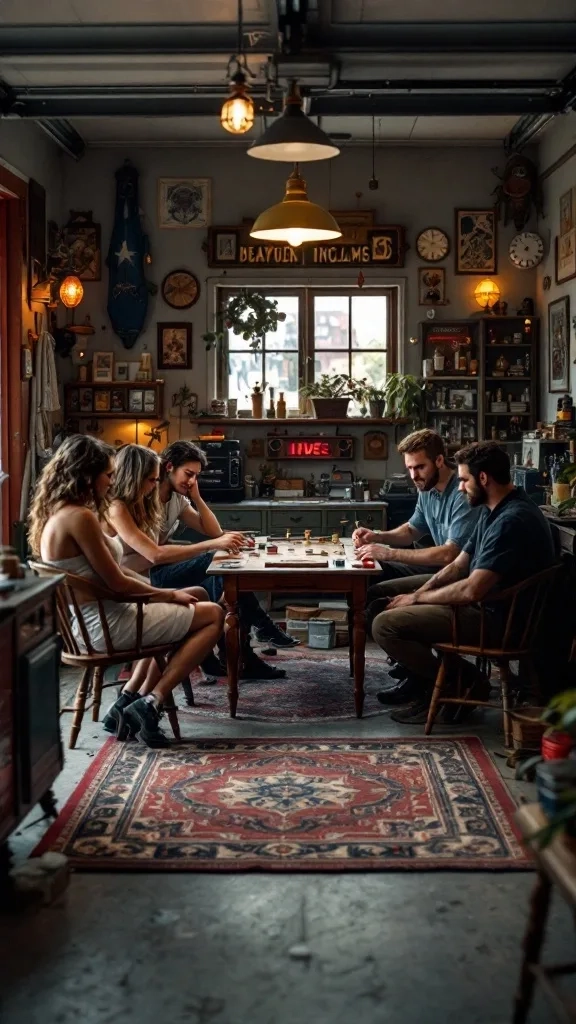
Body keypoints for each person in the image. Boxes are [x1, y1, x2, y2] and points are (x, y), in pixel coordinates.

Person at [28, 434, 224, 748]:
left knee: (197, 595)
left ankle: (127, 701)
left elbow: (112, 574)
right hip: (103, 625)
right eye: (107, 474)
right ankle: (152, 702)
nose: (112, 480)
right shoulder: (81, 518)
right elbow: (118, 583)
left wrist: (159, 592)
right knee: (213, 613)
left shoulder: (62, 514)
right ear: (87, 475)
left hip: (96, 617)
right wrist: (167, 595)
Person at [371, 441, 556, 724]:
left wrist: (416, 599)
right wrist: (418, 591)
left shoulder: (512, 520)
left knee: (386, 625)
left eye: (464, 480)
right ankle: (433, 684)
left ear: (483, 478)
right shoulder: (492, 509)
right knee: (385, 597)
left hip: (499, 620)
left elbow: (472, 588)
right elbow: (459, 565)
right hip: (487, 606)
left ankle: (463, 683)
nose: (460, 487)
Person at [107, 442, 298, 682]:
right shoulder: (138, 500)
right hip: (141, 579)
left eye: (196, 476)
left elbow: (214, 531)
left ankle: (235, 654)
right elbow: (154, 554)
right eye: (189, 474)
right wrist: (212, 546)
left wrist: (196, 495)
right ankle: (254, 636)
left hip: (155, 569)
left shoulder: (176, 499)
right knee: (216, 564)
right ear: (168, 468)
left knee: (223, 577)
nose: (191, 480)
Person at [353, 428, 480, 703]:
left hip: (459, 576)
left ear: (438, 461)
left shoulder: (462, 493)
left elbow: (450, 555)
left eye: (419, 467)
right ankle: (412, 666)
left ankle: (436, 677)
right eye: (410, 468)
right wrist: (377, 536)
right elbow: (412, 530)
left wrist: (389, 553)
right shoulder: (427, 488)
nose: (414, 476)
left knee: (384, 581)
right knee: (372, 589)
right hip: (439, 570)